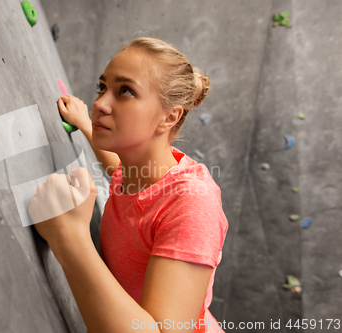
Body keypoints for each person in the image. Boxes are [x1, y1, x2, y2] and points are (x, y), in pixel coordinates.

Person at [29, 36, 228, 333]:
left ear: (169, 117)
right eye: (102, 87)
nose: (99, 103)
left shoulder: (193, 204)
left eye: (125, 91)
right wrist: (86, 124)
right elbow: (122, 176)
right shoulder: (141, 170)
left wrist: (69, 237)